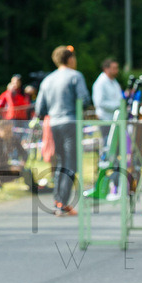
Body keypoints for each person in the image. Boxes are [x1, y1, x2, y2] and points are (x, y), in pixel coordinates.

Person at [34, 45, 91, 216]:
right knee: (70, 164)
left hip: (54, 124)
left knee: (60, 162)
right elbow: (84, 99)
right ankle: (62, 204)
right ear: (70, 59)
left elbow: (39, 109)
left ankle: (58, 200)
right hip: (71, 122)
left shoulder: (47, 80)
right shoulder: (75, 76)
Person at [92, 57, 123, 197]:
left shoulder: (114, 82)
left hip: (115, 122)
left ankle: (115, 182)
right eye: (113, 68)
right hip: (106, 122)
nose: (116, 70)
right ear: (106, 68)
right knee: (108, 153)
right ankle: (104, 183)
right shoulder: (101, 83)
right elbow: (100, 102)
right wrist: (118, 106)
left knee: (116, 153)